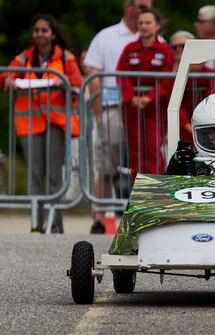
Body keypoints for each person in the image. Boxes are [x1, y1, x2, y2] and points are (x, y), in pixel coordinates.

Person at [2, 14, 82, 233]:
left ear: (53, 34)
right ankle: (36, 223)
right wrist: (8, 80)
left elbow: (77, 84)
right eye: (36, 30)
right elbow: (5, 77)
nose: (39, 34)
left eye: (44, 30)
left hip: (55, 122)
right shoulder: (24, 57)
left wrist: (61, 82)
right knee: (34, 174)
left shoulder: (66, 58)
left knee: (54, 174)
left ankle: (55, 223)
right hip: (29, 122)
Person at [84, 0, 152, 234]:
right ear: (128, 6)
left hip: (144, 111)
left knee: (143, 164)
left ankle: (142, 213)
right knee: (106, 166)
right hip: (113, 107)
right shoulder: (106, 36)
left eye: (146, 6)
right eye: (139, 5)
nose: (142, 10)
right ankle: (100, 218)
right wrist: (98, 111)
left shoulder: (156, 38)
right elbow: (92, 70)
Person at [117, 7, 174, 185]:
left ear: (157, 25)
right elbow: (122, 75)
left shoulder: (164, 50)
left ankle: (156, 191)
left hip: (155, 107)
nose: (143, 26)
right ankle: (138, 193)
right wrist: (131, 97)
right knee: (136, 151)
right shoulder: (130, 48)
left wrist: (150, 97)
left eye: (148, 22)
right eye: (140, 22)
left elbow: (166, 79)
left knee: (153, 149)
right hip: (133, 107)